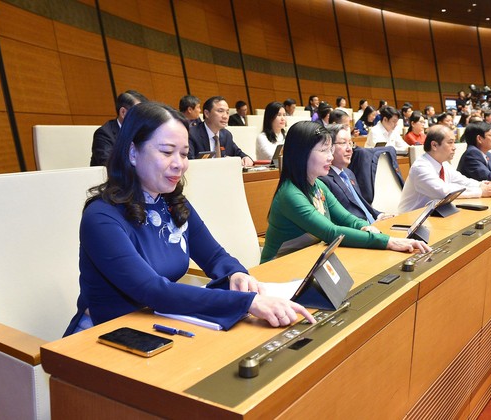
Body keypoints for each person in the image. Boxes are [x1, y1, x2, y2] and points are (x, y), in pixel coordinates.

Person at [64, 102, 315, 336]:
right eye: (167, 152)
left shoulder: (172, 202)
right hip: (107, 337)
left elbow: (215, 257)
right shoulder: (101, 217)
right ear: (132, 152)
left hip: (160, 322)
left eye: (184, 154)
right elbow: (153, 291)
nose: (179, 164)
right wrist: (246, 302)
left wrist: (237, 274)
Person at [261, 121, 430, 263]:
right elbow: (331, 232)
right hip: (278, 269)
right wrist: (388, 242)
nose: (330, 157)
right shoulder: (290, 194)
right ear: (301, 154)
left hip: (308, 260)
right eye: (323, 150)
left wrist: (365, 227)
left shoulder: (317, 185)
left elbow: (346, 218)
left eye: (330, 150)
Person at [398, 125, 491, 213]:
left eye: (454, 142)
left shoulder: (444, 164)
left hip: (435, 215)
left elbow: (463, 181)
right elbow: (445, 193)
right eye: (450, 142)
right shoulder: (421, 167)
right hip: (410, 220)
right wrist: (481, 191)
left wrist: (483, 185)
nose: (454, 147)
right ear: (434, 145)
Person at [319, 124, 393, 222]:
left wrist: (379, 215)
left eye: (350, 143)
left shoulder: (348, 173)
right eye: (343, 143)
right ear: (329, 146)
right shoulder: (323, 179)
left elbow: (360, 203)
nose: (349, 149)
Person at [189, 96, 254, 166]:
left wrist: (245, 158)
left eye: (227, 112)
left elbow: (239, 153)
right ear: (207, 113)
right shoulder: (191, 134)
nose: (225, 116)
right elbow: (190, 163)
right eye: (220, 111)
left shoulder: (226, 135)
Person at [91, 90, 148, 166]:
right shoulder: (104, 134)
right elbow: (110, 165)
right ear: (123, 112)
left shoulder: (143, 132)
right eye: (139, 114)